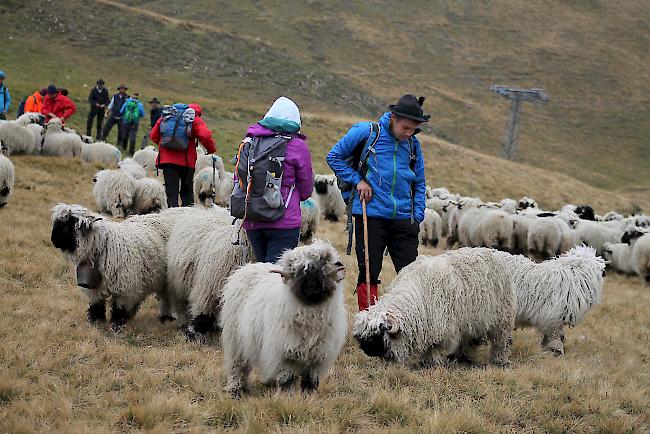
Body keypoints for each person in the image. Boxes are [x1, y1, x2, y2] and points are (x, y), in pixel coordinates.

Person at [327, 94, 428, 311]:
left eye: (414, 129)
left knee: (411, 274)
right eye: (406, 128)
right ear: (393, 118)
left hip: (404, 218)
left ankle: (409, 320)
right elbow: (333, 157)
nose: (409, 133)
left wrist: (417, 215)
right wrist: (359, 181)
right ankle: (369, 323)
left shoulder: (412, 145)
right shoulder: (367, 133)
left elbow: (419, 182)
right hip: (370, 215)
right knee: (369, 272)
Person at [234, 96, 314, 263]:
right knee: (274, 277)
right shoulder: (297, 145)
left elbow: (239, 177)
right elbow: (306, 190)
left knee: (259, 272)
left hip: (253, 220)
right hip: (284, 221)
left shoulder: (250, 141)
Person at [150, 103, 216, 207]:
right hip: (186, 162)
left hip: (167, 161)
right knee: (186, 192)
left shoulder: (168, 116)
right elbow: (205, 135)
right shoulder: (193, 118)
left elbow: (153, 135)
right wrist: (211, 149)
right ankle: (186, 218)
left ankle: (171, 218)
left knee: (171, 192)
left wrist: (167, 143)